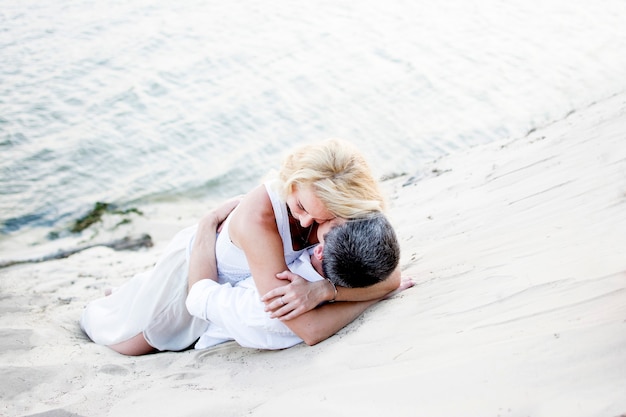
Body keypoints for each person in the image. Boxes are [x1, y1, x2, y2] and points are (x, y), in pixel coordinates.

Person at [80, 139, 403, 355]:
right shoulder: (258, 221)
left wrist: (323, 291)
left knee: (145, 298)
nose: (306, 224)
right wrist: (207, 223)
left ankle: (132, 291)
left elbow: (390, 277)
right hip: (197, 268)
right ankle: (126, 298)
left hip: (237, 284)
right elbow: (307, 328)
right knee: (132, 343)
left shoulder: (349, 207)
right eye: (300, 207)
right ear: (290, 181)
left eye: (324, 216)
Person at [185, 211, 404, 350]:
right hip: (223, 245)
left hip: (194, 275)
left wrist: (207, 222)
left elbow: (197, 297)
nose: (327, 213)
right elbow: (392, 278)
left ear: (319, 251)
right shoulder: (354, 266)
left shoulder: (272, 306)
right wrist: (373, 295)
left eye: (333, 219)